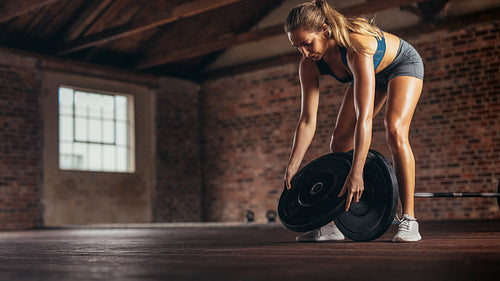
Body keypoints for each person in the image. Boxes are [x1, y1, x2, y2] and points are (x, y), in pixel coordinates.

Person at [283, 0, 424, 242]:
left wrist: (357, 172)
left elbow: (364, 117)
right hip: (371, 74)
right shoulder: (308, 64)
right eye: (297, 47)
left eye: (307, 44)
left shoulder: (356, 47)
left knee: (394, 129)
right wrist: (293, 164)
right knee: (339, 142)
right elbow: (307, 120)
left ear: (325, 31)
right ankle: (335, 225)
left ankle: (410, 220)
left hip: (401, 64)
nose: (304, 53)